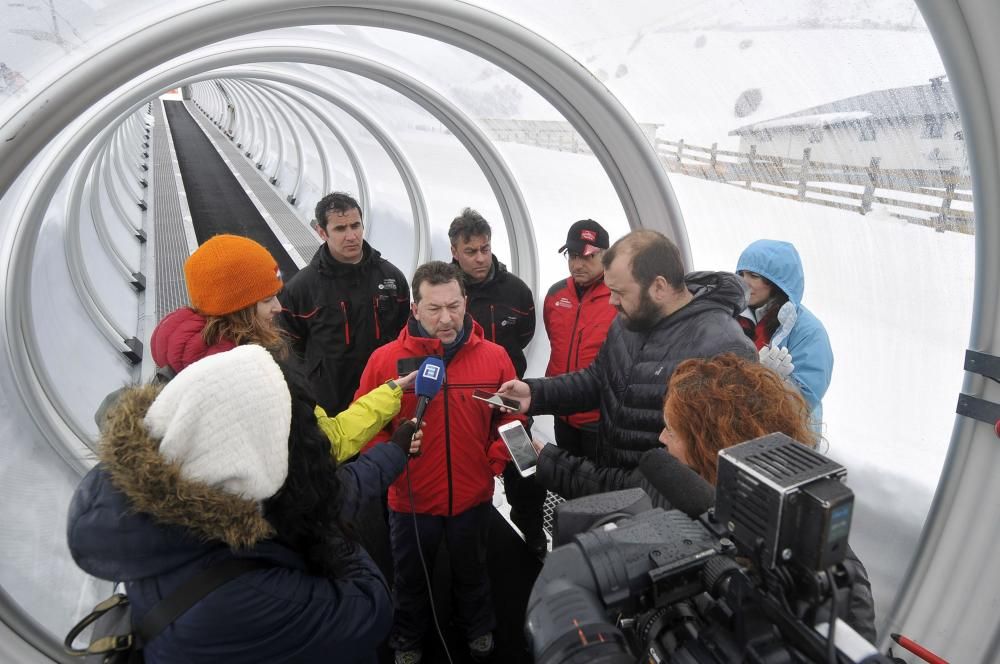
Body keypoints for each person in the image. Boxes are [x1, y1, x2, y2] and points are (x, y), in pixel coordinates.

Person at [68, 344, 422, 663]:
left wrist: (392, 452)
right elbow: (371, 605)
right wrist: (322, 522)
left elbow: (335, 491)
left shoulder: (169, 516)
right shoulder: (240, 600)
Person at [531, 353, 877, 642]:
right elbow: (612, 485)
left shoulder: (827, 569)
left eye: (672, 428)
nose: (661, 437)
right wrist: (547, 458)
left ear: (710, 447)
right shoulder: (672, 478)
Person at [355, 261, 524, 664]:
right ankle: (408, 638)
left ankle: (478, 627)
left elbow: (513, 417)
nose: (446, 319)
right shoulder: (385, 361)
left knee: (473, 571)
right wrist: (390, 457)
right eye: (434, 309)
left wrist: (494, 463)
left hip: (473, 496)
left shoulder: (495, 358)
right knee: (411, 578)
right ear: (414, 310)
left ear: (467, 302)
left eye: (454, 306)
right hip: (411, 501)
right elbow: (365, 424)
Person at [499, 229, 757, 469]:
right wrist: (536, 394)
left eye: (619, 292)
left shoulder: (722, 347)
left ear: (658, 287)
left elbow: (705, 467)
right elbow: (599, 379)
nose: (612, 301)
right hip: (611, 471)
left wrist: (562, 469)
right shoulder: (630, 320)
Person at [146, 232, 413, 464]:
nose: (278, 307)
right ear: (239, 311)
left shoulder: (175, 365)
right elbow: (330, 443)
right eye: (266, 300)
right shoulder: (263, 381)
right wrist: (391, 404)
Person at [448, 208, 545, 556]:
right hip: (464, 400)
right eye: (471, 251)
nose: (480, 258)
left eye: (485, 249)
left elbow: (525, 334)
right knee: (464, 468)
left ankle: (532, 529)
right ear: (454, 252)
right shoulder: (447, 294)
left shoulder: (516, 291)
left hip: (507, 399)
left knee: (527, 472)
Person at [279, 191, 410, 415]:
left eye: (355, 226)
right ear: (321, 232)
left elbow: (405, 338)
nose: (351, 236)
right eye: (340, 229)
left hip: (384, 401)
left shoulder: (392, 279)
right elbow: (288, 351)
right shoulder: (302, 289)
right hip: (330, 408)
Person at [736, 239, 834, 422]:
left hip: (786, 438)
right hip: (737, 423)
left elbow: (805, 401)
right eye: (741, 274)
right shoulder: (734, 315)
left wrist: (773, 384)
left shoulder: (810, 332)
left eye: (753, 275)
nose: (744, 282)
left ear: (776, 282)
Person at [543, 219, 617, 461]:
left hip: (598, 418)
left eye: (587, 257)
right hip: (561, 409)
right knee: (565, 474)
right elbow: (554, 339)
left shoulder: (620, 299)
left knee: (596, 484)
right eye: (573, 256)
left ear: (605, 257)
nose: (578, 264)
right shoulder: (555, 295)